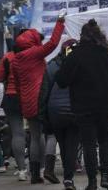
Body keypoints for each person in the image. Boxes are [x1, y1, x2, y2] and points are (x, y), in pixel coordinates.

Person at [56, 19, 108, 190]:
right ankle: (104, 177)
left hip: (83, 106)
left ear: (82, 37)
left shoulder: (75, 55)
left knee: (88, 143)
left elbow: (61, 81)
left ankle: (92, 182)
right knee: (104, 139)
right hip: (106, 105)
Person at [10, 13, 66, 184]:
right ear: (33, 41)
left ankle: (34, 174)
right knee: (47, 135)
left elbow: (17, 84)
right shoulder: (35, 53)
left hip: (26, 102)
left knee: (34, 136)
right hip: (41, 100)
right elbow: (53, 43)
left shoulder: (16, 60)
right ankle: (44, 168)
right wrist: (60, 23)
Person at [43, 39, 81, 190]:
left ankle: (67, 175)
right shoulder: (80, 65)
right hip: (74, 110)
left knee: (63, 144)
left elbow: (45, 92)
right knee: (72, 145)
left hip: (55, 112)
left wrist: (44, 115)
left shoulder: (51, 66)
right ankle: (68, 178)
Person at [0, 31, 29, 180]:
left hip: (12, 96)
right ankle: (40, 168)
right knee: (37, 132)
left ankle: (21, 170)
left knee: (17, 133)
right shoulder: (34, 55)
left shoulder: (8, 56)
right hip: (31, 95)